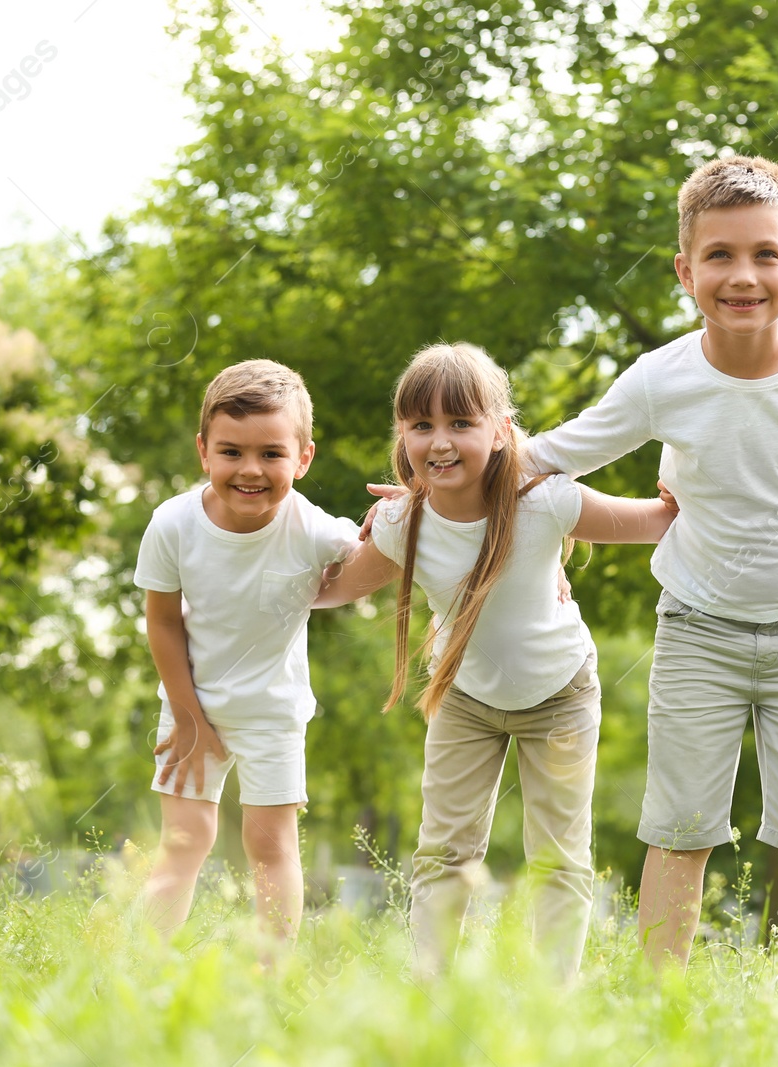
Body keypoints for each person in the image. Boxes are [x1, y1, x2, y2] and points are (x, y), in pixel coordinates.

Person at [524, 156, 778, 976]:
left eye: (765, 255)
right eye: (720, 256)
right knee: (682, 823)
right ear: (686, 270)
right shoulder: (663, 378)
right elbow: (551, 454)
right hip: (697, 630)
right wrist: (435, 477)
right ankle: (665, 1000)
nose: (744, 275)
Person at [317, 342, 671, 980]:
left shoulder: (547, 502)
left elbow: (656, 522)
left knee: (560, 856)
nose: (440, 441)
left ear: (502, 432)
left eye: (460, 423)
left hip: (561, 696)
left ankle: (550, 999)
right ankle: (431, 987)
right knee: (444, 851)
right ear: (402, 437)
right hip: (464, 700)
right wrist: (263, 544)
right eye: (421, 425)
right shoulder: (402, 524)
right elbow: (335, 587)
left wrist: (695, 480)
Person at [135, 359, 360, 942]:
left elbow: (380, 558)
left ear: (303, 458)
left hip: (272, 712)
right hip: (190, 702)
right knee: (186, 842)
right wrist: (187, 716)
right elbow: (162, 623)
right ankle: (130, 972)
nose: (250, 470)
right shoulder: (173, 524)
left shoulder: (314, 530)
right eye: (231, 452)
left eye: (271, 454)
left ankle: (271, 979)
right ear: (203, 452)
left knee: (270, 846)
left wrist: (401, 514)